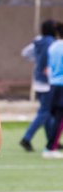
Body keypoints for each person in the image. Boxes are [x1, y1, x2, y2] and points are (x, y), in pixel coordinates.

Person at [19, 19, 56, 152]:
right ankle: (26, 138)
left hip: (38, 81)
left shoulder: (38, 42)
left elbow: (25, 52)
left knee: (47, 113)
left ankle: (51, 140)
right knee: (44, 113)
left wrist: (38, 62)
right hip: (47, 83)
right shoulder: (53, 43)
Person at [43, 21, 63, 159]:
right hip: (61, 86)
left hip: (54, 86)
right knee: (59, 119)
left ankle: (51, 147)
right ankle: (51, 148)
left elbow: (49, 68)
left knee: (57, 117)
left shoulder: (53, 46)